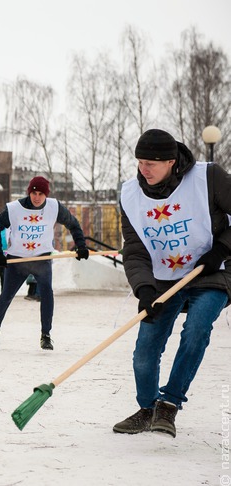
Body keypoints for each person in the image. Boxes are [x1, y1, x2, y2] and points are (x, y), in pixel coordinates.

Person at [113, 128, 231, 438]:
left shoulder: (209, 178)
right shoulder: (130, 195)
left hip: (211, 271)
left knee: (196, 329)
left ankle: (169, 403)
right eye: (139, 162)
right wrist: (144, 288)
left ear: (170, 161)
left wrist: (221, 248)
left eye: (151, 163)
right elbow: (135, 250)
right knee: (145, 349)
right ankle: (147, 408)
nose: (143, 170)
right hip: (163, 279)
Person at [0, 176, 89, 351]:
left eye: (41, 194)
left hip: (41, 258)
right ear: (29, 192)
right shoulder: (14, 209)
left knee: (47, 294)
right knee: (6, 296)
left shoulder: (54, 207)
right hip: (17, 259)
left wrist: (81, 246)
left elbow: (73, 224)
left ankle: (46, 335)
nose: (36, 197)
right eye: (34, 193)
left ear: (46, 194)